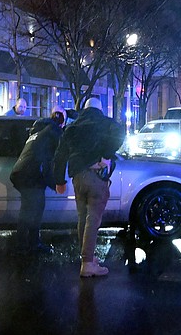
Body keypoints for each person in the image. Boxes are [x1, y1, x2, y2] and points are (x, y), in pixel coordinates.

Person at [54, 97, 126, 277]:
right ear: (100, 109)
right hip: (96, 176)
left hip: (77, 176)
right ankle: (87, 264)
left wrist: (59, 180)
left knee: (82, 218)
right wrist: (106, 155)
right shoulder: (105, 123)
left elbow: (60, 155)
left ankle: (87, 257)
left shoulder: (72, 127)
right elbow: (119, 134)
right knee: (93, 220)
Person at [10, 109, 66, 253]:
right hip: (30, 175)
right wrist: (56, 184)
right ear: (61, 123)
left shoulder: (38, 131)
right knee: (32, 210)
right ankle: (26, 245)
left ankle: (28, 243)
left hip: (21, 173)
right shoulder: (53, 132)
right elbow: (49, 163)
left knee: (31, 208)